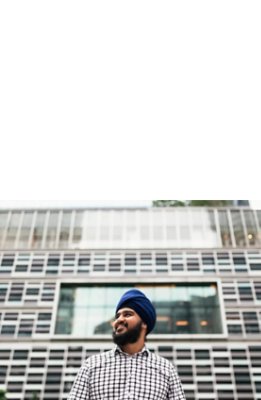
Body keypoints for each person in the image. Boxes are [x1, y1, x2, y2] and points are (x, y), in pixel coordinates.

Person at [68, 288, 186, 399]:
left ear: (144, 323)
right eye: (117, 316)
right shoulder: (91, 365)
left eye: (127, 314)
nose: (118, 320)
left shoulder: (166, 369)